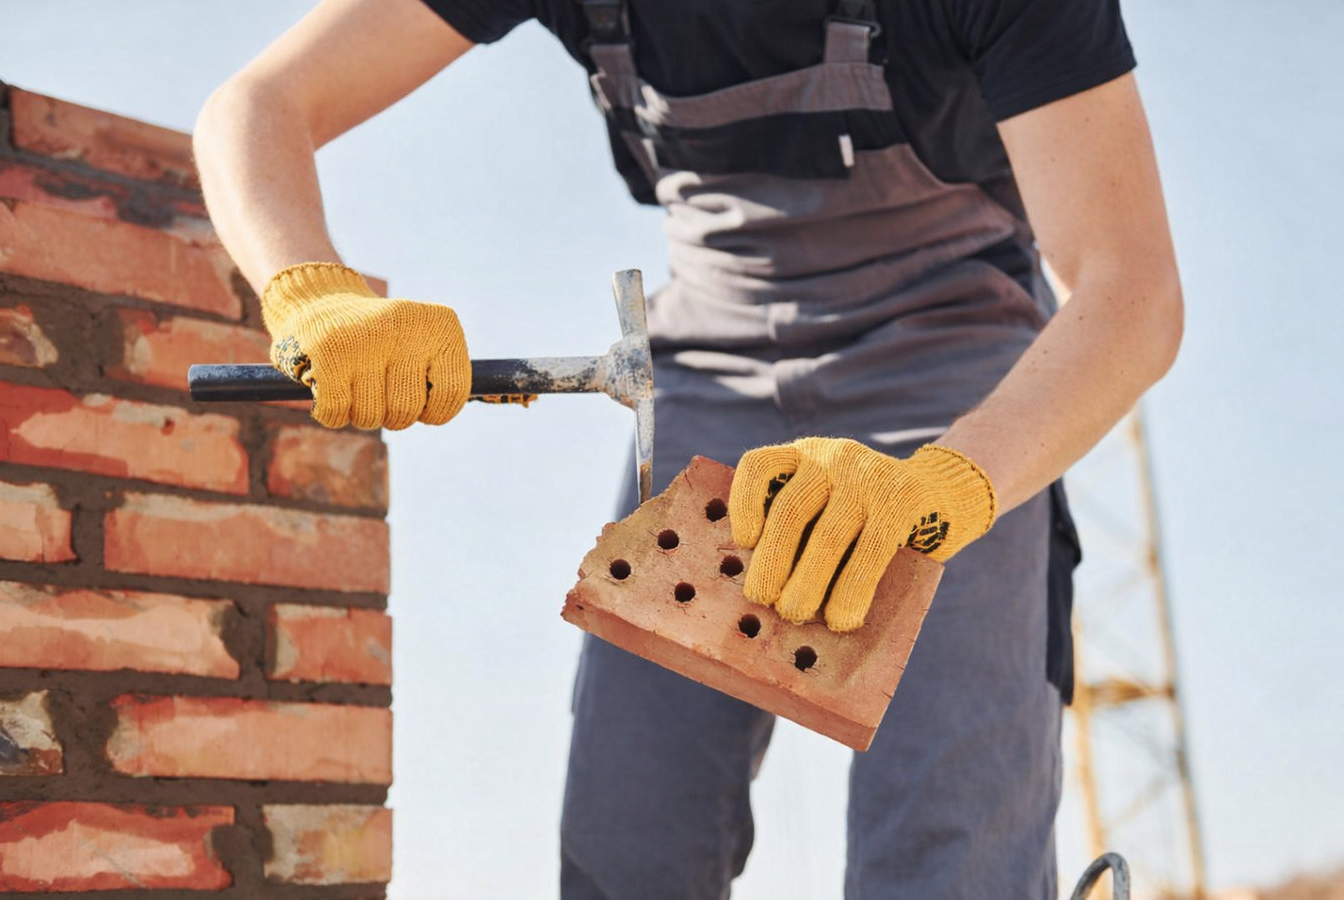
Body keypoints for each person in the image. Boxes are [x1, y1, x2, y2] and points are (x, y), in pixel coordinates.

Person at [192, 0, 1183, 896]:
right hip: (711, 380)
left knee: (950, 851)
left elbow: (1132, 289)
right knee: (630, 851)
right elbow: (259, 104)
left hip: (954, 395)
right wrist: (306, 289)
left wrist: (942, 490)